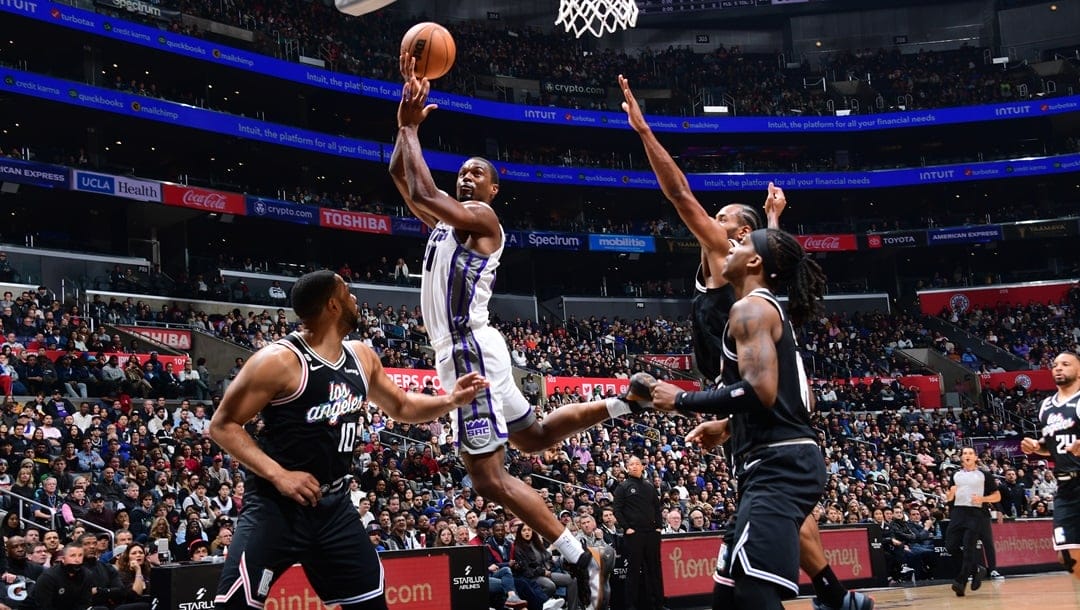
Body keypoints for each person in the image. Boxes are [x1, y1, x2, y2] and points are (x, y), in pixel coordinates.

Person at [390, 53, 652, 609]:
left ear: (494, 190)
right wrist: (401, 127)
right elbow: (403, 179)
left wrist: (413, 127)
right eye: (462, 169)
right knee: (532, 438)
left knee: (487, 479)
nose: (466, 174)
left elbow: (427, 192)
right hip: (479, 347)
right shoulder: (445, 223)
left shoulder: (482, 220)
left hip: (467, 352)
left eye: (477, 172)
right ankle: (623, 404)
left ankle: (582, 558)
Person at [620, 75, 871, 610]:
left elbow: (682, 194)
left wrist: (644, 131)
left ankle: (833, 597)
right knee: (762, 559)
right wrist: (775, 220)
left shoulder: (734, 279)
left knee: (761, 569)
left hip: (768, 429)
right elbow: (774, 259)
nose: (714, 224)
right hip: (759, 418)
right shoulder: (756, 284)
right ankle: (836, 597)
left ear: (741, 243)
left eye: (727, 222)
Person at [207, 270, 491, 610]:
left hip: (334, 507)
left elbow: (401, 405)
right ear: (333, 305)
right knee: (233, 605)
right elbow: (222, 425)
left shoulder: (361, 356)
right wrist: (279, 475)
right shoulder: (278, 362)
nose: (355, 299)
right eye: (348, 294)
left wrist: (450, 400)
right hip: (276, 507)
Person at [648, 228, 827, 610]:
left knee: (753, 591)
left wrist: (681, 399)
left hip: (779, 465)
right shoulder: (759, 308)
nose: (730, 245)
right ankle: (836, 596)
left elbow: (758, 391)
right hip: (773, 462)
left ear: (755, 261)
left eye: (741, 243)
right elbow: (783, 398)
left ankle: (834, 594)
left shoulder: (751, 309)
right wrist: (727, 426)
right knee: (727, 597)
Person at [1021, 351, 1080, 581]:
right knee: (1067, 558)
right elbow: (1051, 444)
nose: (1058, 368)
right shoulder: (1046, 406)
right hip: (1065, 487)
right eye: (1055, 364)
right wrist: (1037, 446)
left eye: (1065, 364)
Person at [943, 447, 999, 596]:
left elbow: (997, 496)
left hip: (976, 513)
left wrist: (983, 499)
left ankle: (960, 582)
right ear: (961, 458)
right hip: (957, 512)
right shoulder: (955, 475)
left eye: (970, 453)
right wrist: (950, 494)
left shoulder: (984, 475)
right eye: (964, 454)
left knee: (969, 548)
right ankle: (976, 570)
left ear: (975, 457)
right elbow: (949, 497)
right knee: (950, 546)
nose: (967, 456)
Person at [613, 456, 663, 610]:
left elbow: (657, 508)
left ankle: (657, 604)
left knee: (654, 569)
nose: (634, 467)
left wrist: (659, 527)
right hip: (634, 535)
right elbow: (617, 510)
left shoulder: (649, 486)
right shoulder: (623, 487)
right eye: (630, 464)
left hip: (651, 534)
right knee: (633, 571)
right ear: (627, 468)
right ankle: (631, 606)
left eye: (636, 464)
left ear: (642, 467)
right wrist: (626, 528)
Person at [31, 543, 93, 610]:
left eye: (80, 555)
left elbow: (85, 602)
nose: (77, 560)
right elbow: (44, 606)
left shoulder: (87, 574)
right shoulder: (48, 577)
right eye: (73, 556)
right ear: (63, 559)